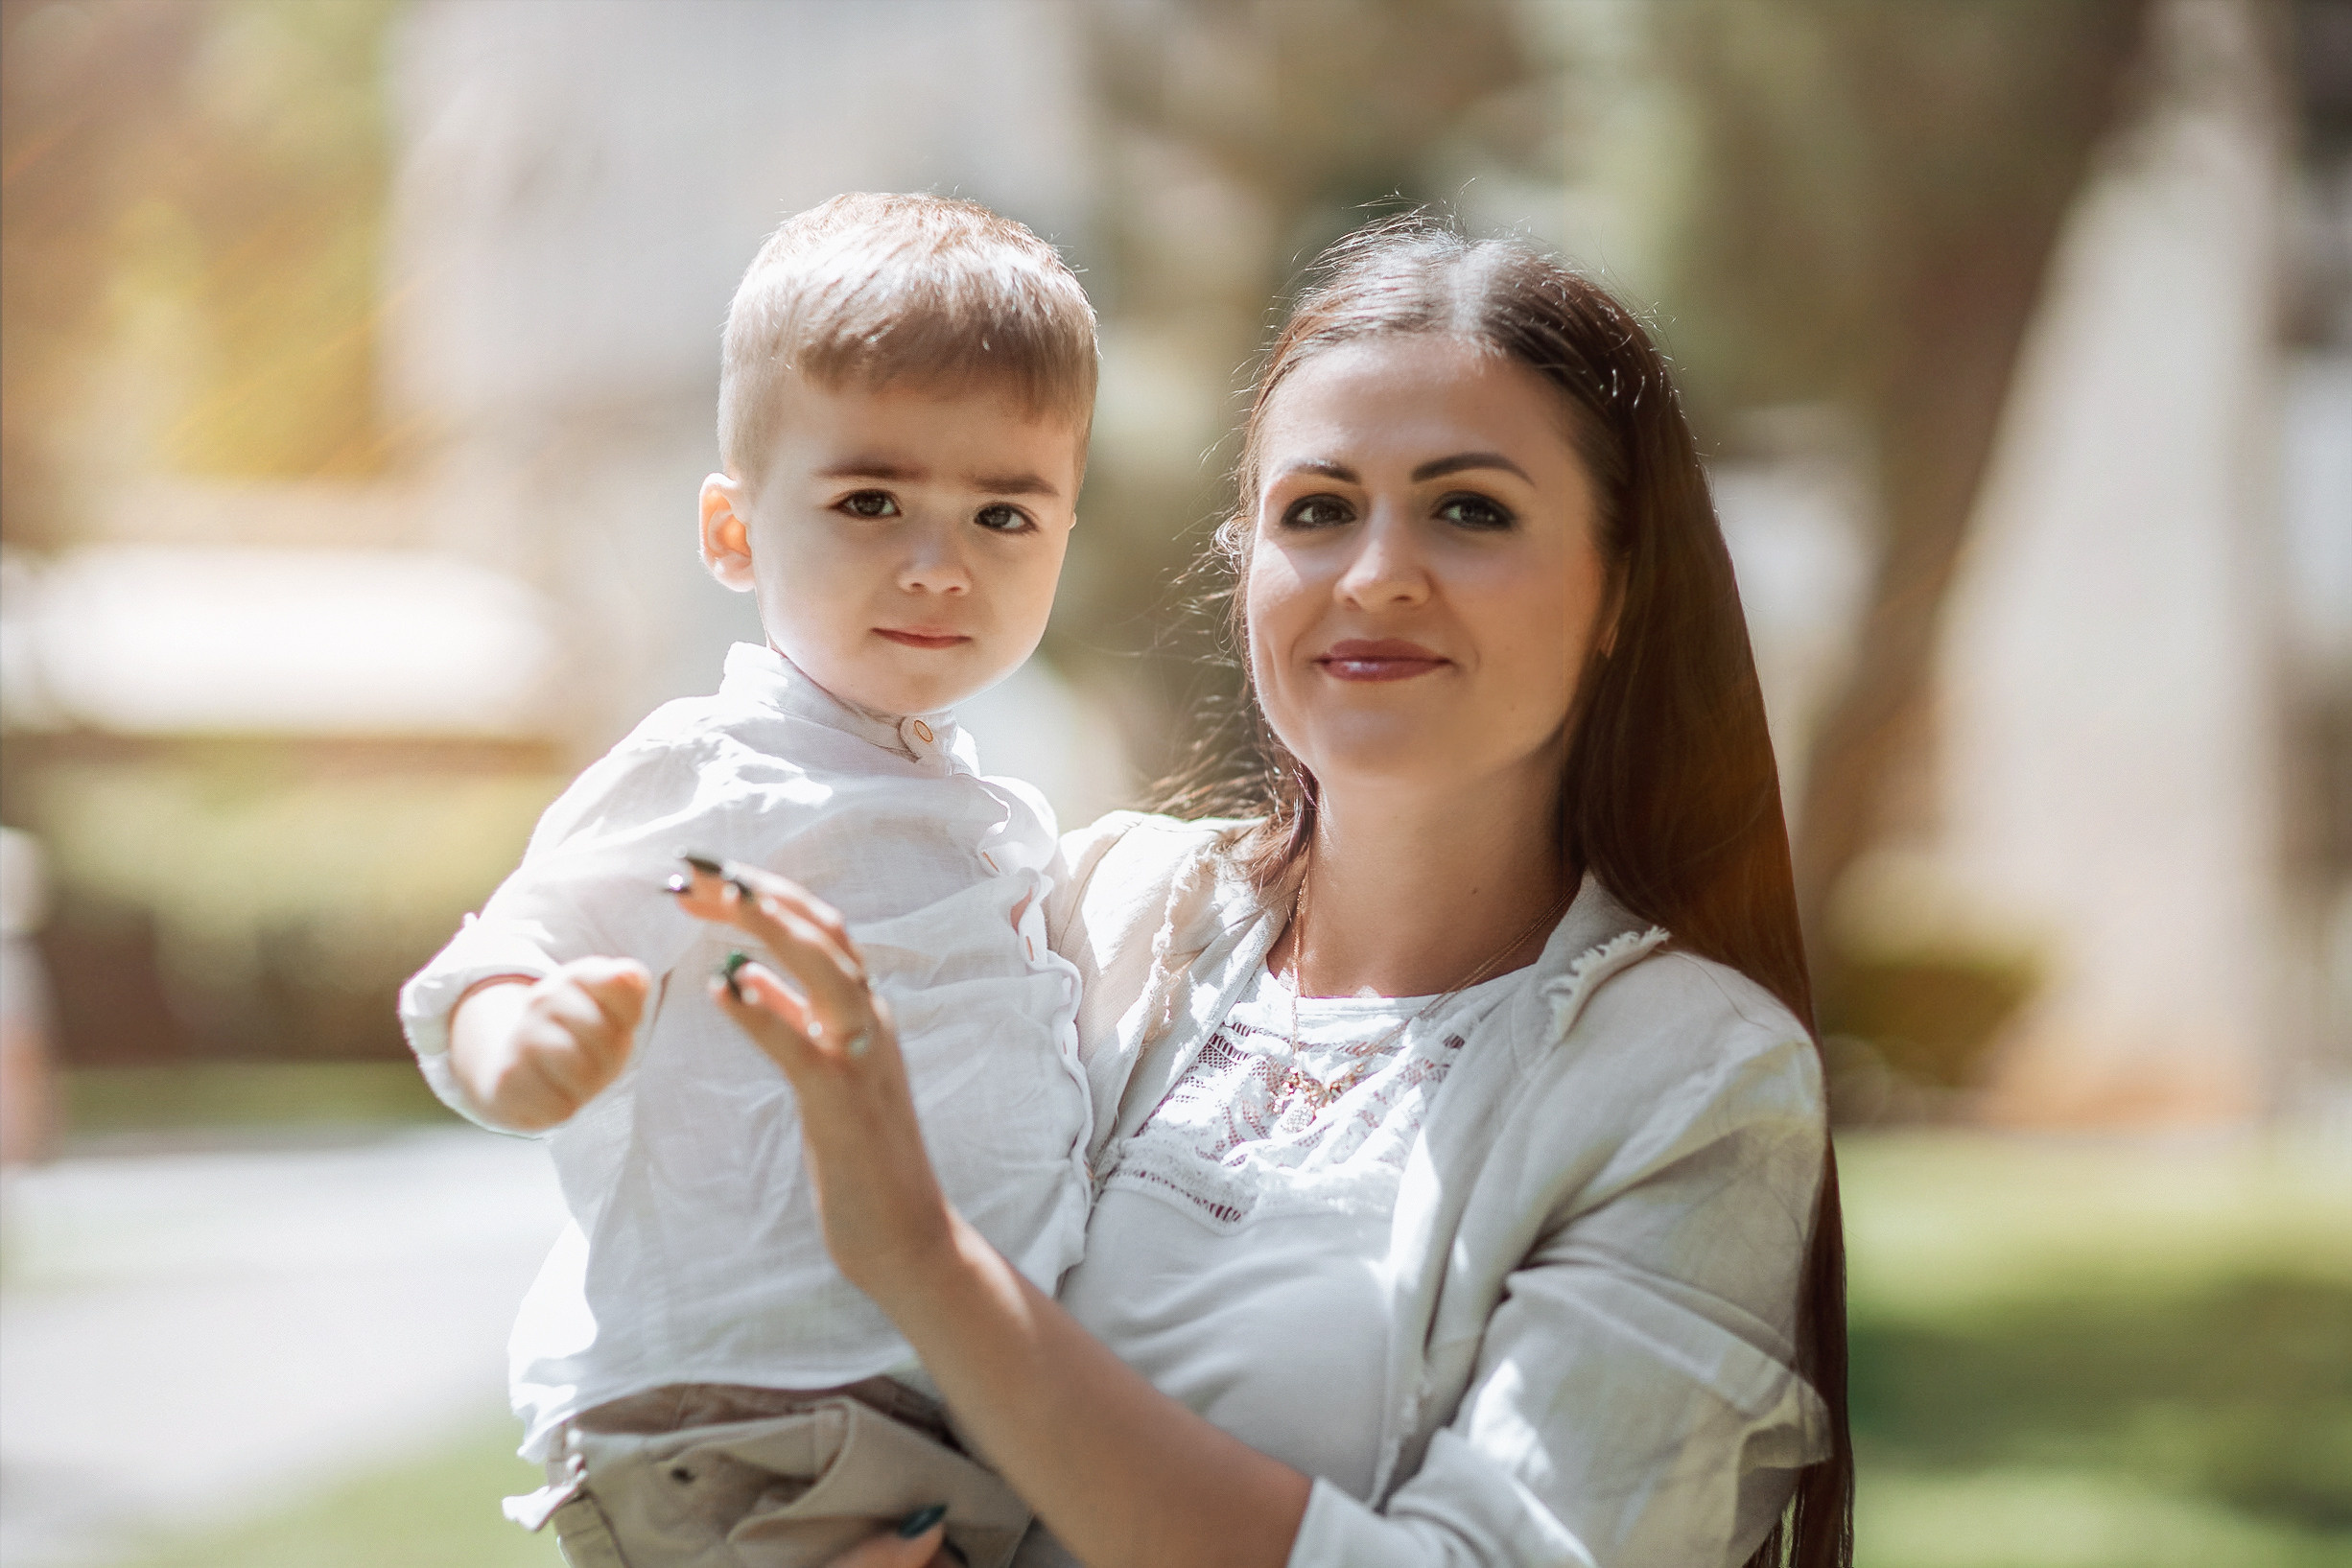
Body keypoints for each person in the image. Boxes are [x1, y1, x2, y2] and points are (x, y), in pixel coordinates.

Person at [680, 218, 1855, 1568]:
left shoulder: (1692, 1080)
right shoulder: (1088, 910)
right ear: (1247, 566)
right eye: (1318, 511)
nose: (1375, 575)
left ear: (1619, 591)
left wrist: (931, 1268)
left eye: (1471, 509)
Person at [398, 192, 1103, 1568]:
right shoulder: (712, 769)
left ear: (1065, 536)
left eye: (1003, 515)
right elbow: (484, 959)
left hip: (948, 1410)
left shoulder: (996, 808)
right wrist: (521, 1045)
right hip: (754, 1416)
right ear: (731, 531)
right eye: (870, 499)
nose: (937, 562)